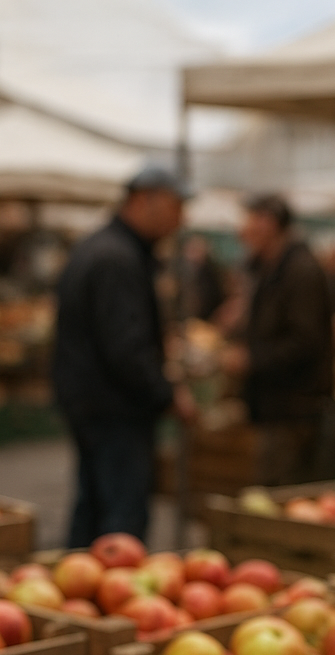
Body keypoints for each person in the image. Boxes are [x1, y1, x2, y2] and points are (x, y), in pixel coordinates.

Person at [53, 166, 197, 546]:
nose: (180, 219)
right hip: (114, 407)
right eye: (175, 206)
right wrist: (165, 394)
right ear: (142, 199)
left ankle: (78, 591)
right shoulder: (117, 259)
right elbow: (125, 347)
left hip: (92, 401)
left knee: (94, 506)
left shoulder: (103, 247)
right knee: (120, 516)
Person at [221, 194, 334, 484]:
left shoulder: (300, 271)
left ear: (268, 223)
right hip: (274, 405)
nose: (242, 230)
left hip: (294, 407)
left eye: (248, 221)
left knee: (285, 486)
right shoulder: (269, 268)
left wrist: (252, 359)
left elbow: (306, 342)